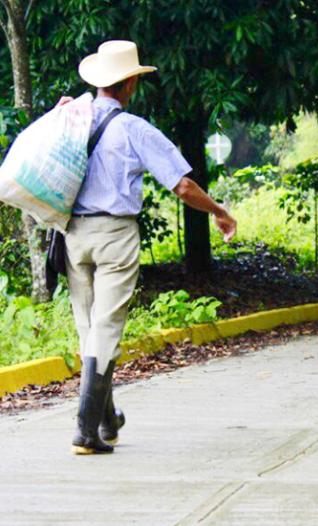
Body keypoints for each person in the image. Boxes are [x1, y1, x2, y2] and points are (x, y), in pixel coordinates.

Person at [61, 40, 237, 455]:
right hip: (114, 235)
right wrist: (219, 210)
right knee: (105, 328)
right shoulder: (133, 129)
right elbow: (183, 185)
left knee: (88, 329)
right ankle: (85, 431)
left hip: (71, 235)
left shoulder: (71, 119)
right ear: (131, 84)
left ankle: (106, 421)